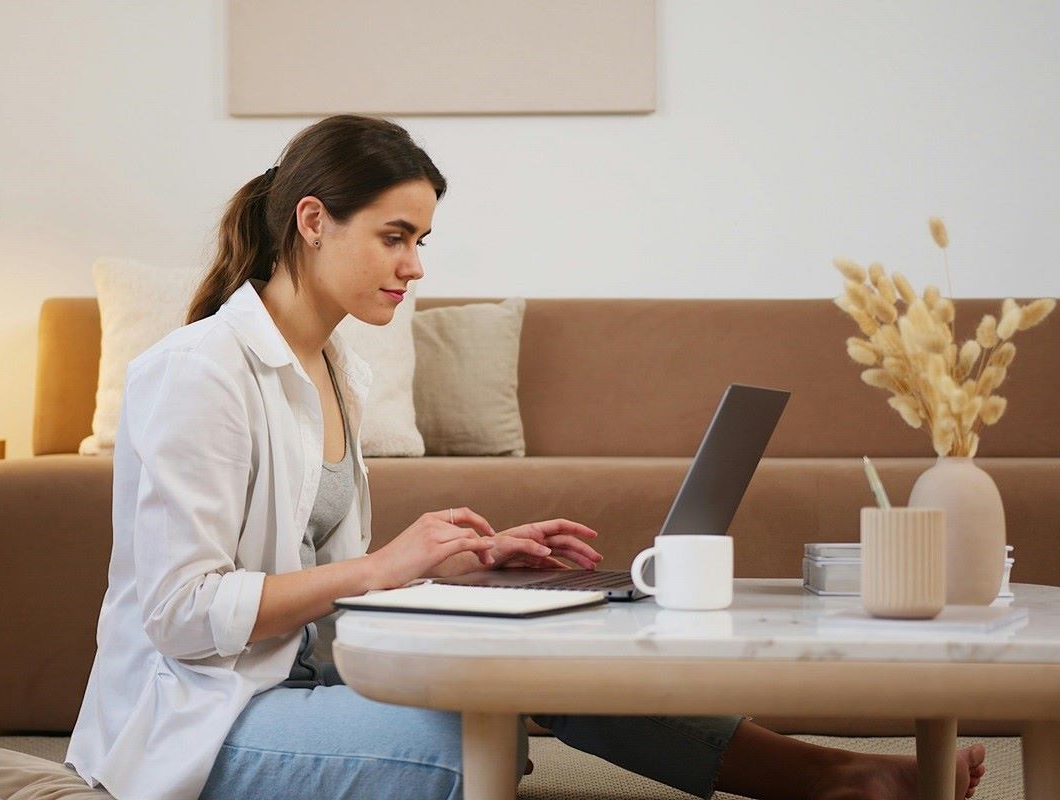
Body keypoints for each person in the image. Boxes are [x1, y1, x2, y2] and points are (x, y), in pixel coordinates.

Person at [64, 114, 987, 800]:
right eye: (394, 237)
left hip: (304, 668)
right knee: (472, 747)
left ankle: (829, 777)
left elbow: (305, 571)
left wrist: (455, 566)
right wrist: (382, 567)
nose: (415, 266)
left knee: (547, 648)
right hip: (203, 716)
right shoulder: (199, 373)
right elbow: (180, 613)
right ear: (312, 220)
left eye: (421, 240)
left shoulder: (334, 367)